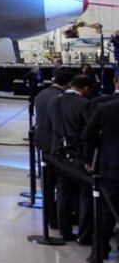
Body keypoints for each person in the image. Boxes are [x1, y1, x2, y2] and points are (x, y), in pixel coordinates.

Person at [51, 75, 95, 241]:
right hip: (78, 153)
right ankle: (84, 234)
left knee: (63, 191)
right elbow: (90, 132)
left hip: (59, 153)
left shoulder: (55, 100)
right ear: (85, 89)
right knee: (85, 193)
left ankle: (65, 230)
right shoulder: (84, 104)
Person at [34, 68, 76, 229]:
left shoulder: (43, 94)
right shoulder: (60, 98)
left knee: (48, 185)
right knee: (62, 184)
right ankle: (59, 219)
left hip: (42, 141)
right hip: (55, 145)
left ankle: (51, 217)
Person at [82, 95, 119, 263]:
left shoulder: (105, 108)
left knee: (105, 214)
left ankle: (98, 254)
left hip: (111, 167)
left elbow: (88, 135)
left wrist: (90, 160)